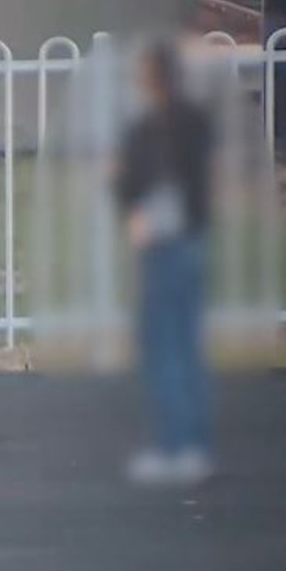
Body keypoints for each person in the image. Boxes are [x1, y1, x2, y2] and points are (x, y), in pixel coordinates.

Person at [114, 41, 215, 487]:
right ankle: (191, 445)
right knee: (185, 346)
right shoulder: (195, 124)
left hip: (162, 243)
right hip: (191, 241)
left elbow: (129, 184)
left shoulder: (150, 129)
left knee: (164, 347)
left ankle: (178, 447)